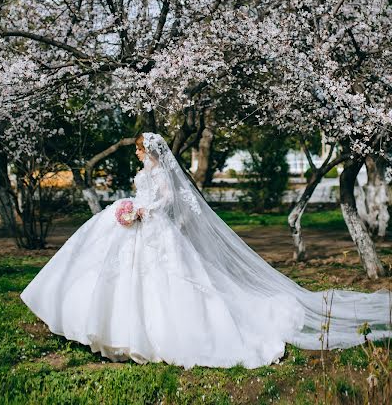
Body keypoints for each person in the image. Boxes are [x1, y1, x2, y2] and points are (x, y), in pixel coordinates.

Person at [20, 132, 391, 369]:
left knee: (164, 282)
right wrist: (128, 207)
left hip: (153, 229)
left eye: (138, 151)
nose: (137, 156)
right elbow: (145, 193)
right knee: (118, 278)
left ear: (148, 151)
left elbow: (166, 200)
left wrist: (142, 211)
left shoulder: (162, 173)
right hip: (135, 225)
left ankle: (150, 336)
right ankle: (108, 331)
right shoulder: (145, 172)